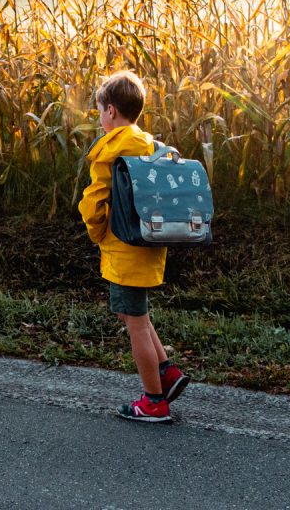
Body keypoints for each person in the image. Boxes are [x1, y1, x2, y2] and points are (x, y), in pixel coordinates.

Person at [78, 70, 190, 423]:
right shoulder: (149, 145)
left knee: (136, 322)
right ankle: (166, 373)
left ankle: (154, 401)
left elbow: (94, 203)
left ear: (110, 111)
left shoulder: (110, 151)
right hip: (150, 241)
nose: (99, 117)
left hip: (123, 245)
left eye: (100, 110)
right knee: (129, 312)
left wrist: (96, 232)